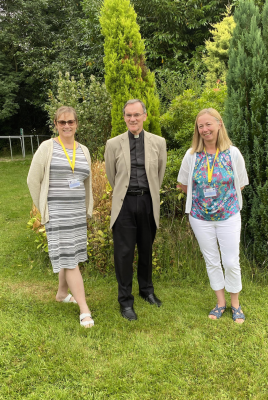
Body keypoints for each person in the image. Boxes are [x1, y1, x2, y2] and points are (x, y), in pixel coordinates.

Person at [177, 108, 249, 323]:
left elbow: (241, 184)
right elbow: (182, 185)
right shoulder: (192, 156)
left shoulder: (232, 153)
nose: (205, 129)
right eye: (201, 126)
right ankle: (220, 303)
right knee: (212, 261)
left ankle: (236, 304)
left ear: (219, 124)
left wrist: (221, 201)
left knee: (230, 261)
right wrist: (203, 198)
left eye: (209, 124)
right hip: (200, 218)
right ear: (197, 130)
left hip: (228, 216)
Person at [27, 106, 94, 328]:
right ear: (55, 124)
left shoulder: (83, 150)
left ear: (77, 124)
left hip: (76, 214)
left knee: (70, 254)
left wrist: (86, 209)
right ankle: (84, 309)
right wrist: (43, 209)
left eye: (70, 122)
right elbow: (32, 180)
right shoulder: (47, 147)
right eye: (62, 122)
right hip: (57, 214)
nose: (67, 126)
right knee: (71, 260)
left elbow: (86, 182)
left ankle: (61, 293)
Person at [104, 99, 167, 321]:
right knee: (123, 254)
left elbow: (159, 174)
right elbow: (112, 176)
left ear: (145, 116)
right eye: (129, 115)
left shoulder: (159, 142)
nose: (133, 119)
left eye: (137, 115)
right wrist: (126, 193)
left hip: (148, 202)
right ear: (124, 117)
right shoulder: (113, 144)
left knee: (146, 250)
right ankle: (125, 300)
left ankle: (146, 291)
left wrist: (148, 195)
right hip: (124, 204)